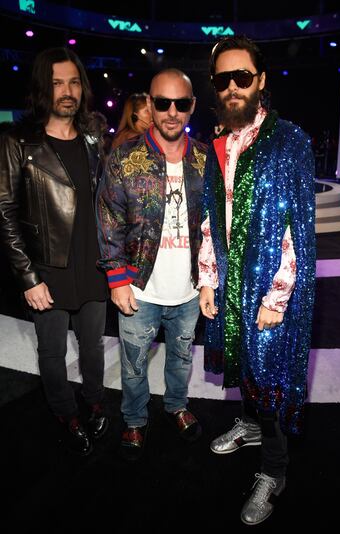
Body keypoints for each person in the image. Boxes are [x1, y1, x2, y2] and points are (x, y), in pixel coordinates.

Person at [198, 35, 315, 525]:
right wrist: (207, 279)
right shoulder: (218, 145)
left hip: (270, 291)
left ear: (261, 81)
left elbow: (298, 228)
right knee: (243, 363)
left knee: (270, 376)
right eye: (223, 80)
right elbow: (211, 218)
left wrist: (279, 296)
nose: (232, 88)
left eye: (241, 77)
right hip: (231, 285)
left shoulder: (290, 141)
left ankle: (275, 470)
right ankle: (247, 424)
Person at [0, 47, 109, 456]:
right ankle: (66, 412)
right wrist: (28, 278)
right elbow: (4, 212)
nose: (67, 91)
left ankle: (95, 400)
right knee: (52, 351)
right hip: (47, 269)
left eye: (74, 82)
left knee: (94, 347)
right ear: (43, 87)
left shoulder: (93, 139)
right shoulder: (18, 142)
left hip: (94, 266)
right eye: (58, 83)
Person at [96, 68, 207, 461]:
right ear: (150, 106)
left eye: (180, 103)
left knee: (180, 359)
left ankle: (176, 406)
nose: (171, 112)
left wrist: (209, 280)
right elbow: (108, 216)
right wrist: (117, 278)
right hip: (140, 288)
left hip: (190, 290)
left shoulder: (205, 159)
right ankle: (135, 420)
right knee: (133, 365)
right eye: (162, 103)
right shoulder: (126, 157)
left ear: (192, 106)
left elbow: (213, 225)